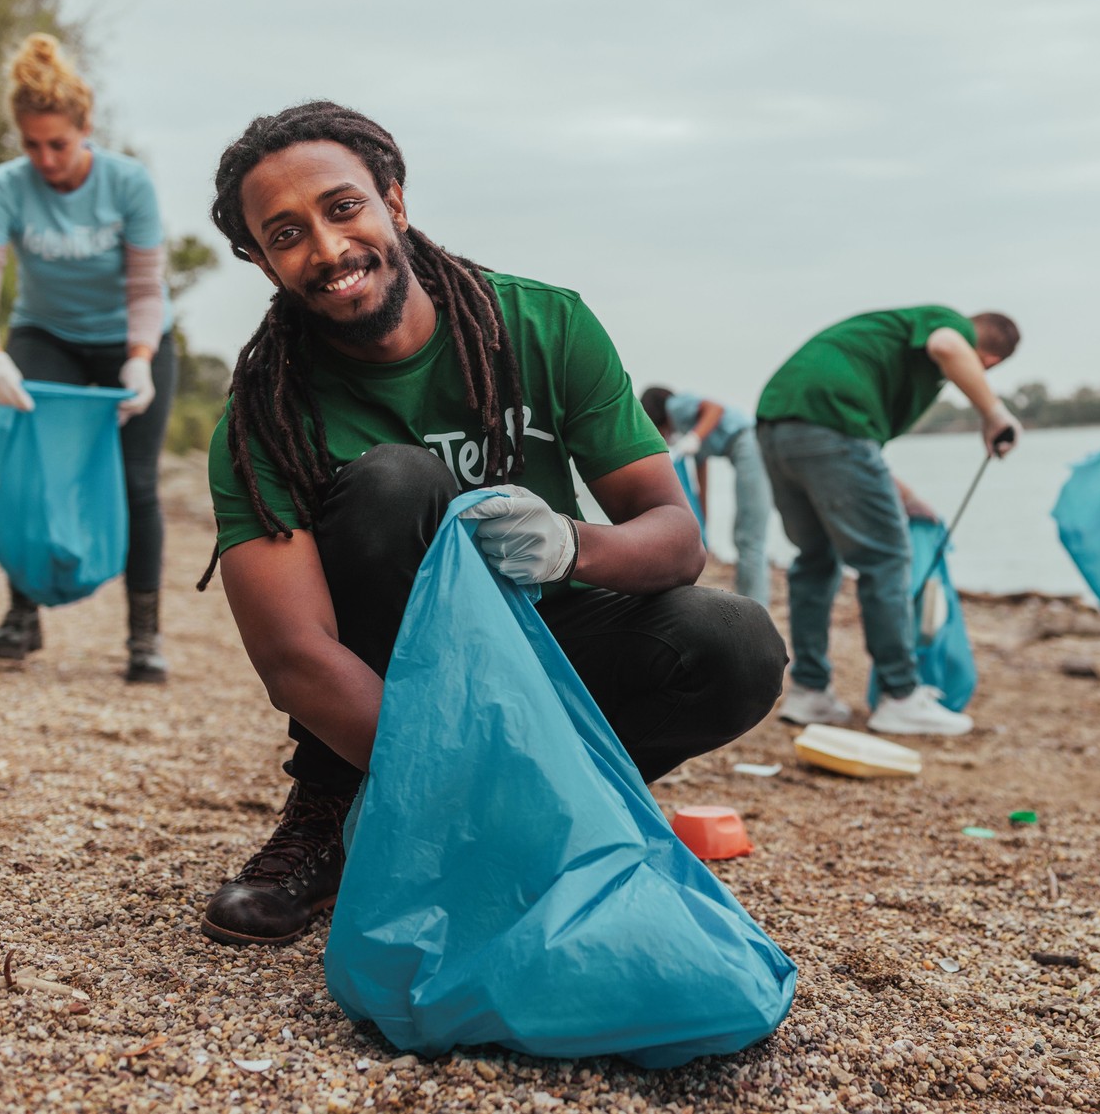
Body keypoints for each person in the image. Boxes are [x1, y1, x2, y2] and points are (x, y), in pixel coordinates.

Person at [195, 102, 785, 947]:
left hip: (547, 650)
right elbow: (296, 657)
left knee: (735, 641)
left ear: (393, 202)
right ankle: (341, 810)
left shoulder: (545, 326)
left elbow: (676, 538)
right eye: (286, 234)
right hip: (395, 680)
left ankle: (569, 798)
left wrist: (570, 541)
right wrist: (466, 789)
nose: (326, 249)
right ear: (261, 259)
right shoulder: (265, 419)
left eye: (342, 207)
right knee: (396, 482)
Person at [0, 33, 177, 683]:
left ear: (86, 128)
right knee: (31, 470)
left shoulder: (128, 184)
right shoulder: (4, 189)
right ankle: (21, 618)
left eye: (59, 142)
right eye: (32, 144)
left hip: (132, 339)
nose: (46, 158)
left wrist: (139, 357)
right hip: (44, 336)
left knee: (137, 482)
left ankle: (144, 635)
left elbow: (145, 289)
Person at [756, 307, 1021, 737]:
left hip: (777, 426)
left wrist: (908, 498)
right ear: (987, 361)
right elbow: (946, 346)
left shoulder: (890, 343)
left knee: (816, 559)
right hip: (831, 423)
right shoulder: (951, 326)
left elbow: (851, 453)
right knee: (886, 559)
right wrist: (994, 413)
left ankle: (809, 691)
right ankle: (900, 696)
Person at [639, 387, 772, 607]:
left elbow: (715, 408)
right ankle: (748, 602)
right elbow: (701, 479)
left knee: (749, 537)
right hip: (741, 450)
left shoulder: (676, 406)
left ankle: (757, 607)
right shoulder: (686, 431)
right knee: (746, 539)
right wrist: (704, 524)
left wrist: (695, 437)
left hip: (749, 441)